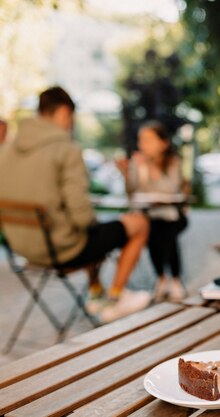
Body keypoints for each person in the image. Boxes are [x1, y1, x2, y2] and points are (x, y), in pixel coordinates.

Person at [0, 86, 151, 323]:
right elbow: (81, 217)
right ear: (62, 112)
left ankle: (95, 294)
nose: (71, 124)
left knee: (95, 232)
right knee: (138, 223)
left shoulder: (5, 151)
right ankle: (115, 300)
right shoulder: (66, 150)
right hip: (61, 249)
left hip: (23, 249)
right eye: (71, 117)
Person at [120, 121, 188, 302]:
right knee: (150, 231)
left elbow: (171, 189)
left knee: (166, 233)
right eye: (141, 140)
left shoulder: (173, 162)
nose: (143, 145)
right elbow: (131, 192)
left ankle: (173, 278)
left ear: (163, 143)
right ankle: (162, 278)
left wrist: (151, 168)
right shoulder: (137, 162)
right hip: (149, 214)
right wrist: (126, 173)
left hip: (173, 214)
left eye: (148, 140)